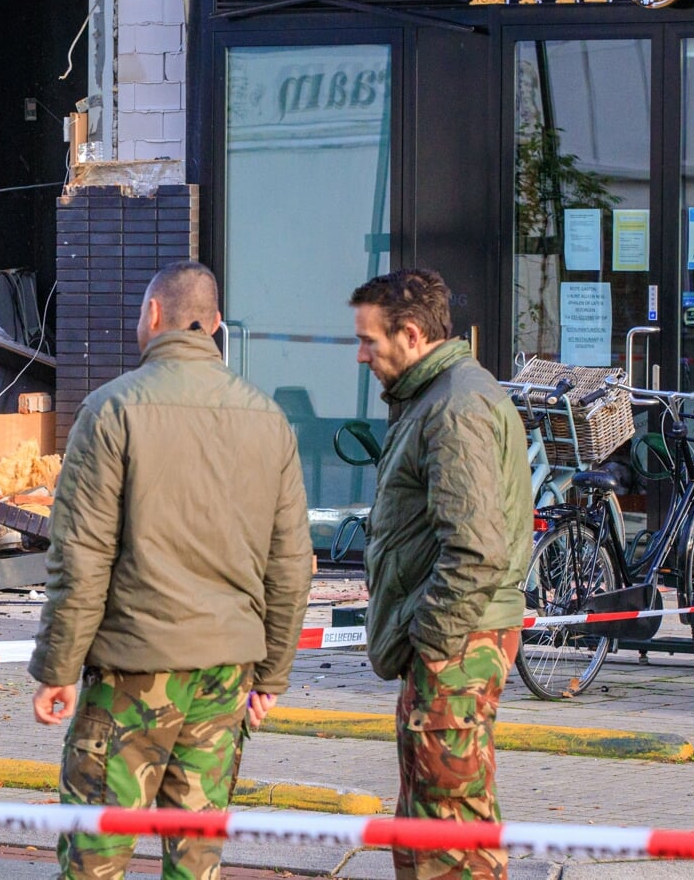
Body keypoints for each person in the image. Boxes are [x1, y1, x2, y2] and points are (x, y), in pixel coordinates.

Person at [29, 260, 311, 880]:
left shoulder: (112, 411)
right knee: (196, 859)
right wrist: (271, 676)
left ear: (153, 316)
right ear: (212, 327)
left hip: (134, 671)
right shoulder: (269, 420)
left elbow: (81, 556)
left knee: (96, 857)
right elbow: (291, 563)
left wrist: (57, 668)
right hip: (226, 676)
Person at [350, 268, 531, 880]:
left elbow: (476, 549)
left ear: (409, 334)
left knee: (451, 833)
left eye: (370, 341)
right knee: (434, 819)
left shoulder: (454, 407)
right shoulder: (436, 397)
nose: (361, 355)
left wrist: (428, 640)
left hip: (457, 646)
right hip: (456, 641)